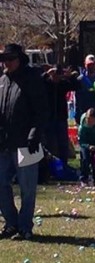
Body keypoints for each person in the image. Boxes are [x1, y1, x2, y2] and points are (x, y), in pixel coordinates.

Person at [0, 44, 48, 240]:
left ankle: (25, 226)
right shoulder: (2, 81)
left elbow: (42, 111)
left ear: (19, 59)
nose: (6, 63)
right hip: (3, 143)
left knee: (27, 189)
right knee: (1, 183)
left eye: (10, 59)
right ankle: (11, 223)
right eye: (4, 59)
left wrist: (34, 134)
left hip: (26, 144)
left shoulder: (32, 79)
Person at [42, 66, 79, 165]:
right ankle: (49, 165)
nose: (56, 78)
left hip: (61, 118)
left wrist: (70, 76)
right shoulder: (46, 83)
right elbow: (37, 83)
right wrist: (46, 74)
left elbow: (76, 86)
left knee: (63, 143)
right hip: (48, 118)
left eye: (58, 75)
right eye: (55, 75)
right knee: (49, 143)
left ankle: (63, 164)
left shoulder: (63, 84)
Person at [78, 108, 95, 186]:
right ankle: (84, 179)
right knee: (85, 160)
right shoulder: (82, 127)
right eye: (88, 119)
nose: (89, 122)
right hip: (85, 144)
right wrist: (88, 146)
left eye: (92, 120)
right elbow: (81, 141)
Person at [75, 54, 95, 122]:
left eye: (93, 64)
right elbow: (77, 98)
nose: (91, 67)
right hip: (84, 112)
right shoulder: (80, 79)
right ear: (85, 65)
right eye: (89, 65)